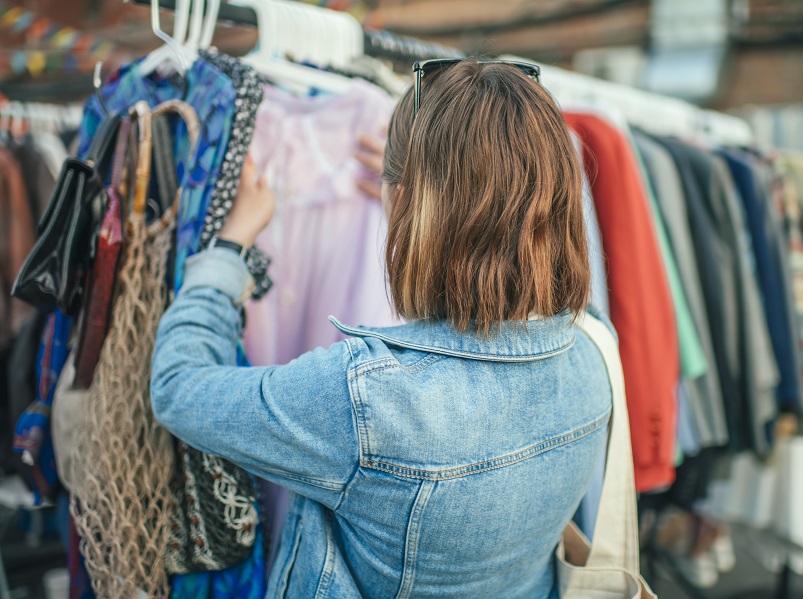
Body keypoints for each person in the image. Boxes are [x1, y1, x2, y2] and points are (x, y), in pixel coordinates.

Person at [151, 58, 613, 598]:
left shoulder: (366, 400)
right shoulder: (594, 349)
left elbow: (178, 387)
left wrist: (228, 251)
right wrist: (418, 204)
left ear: (410, 201)